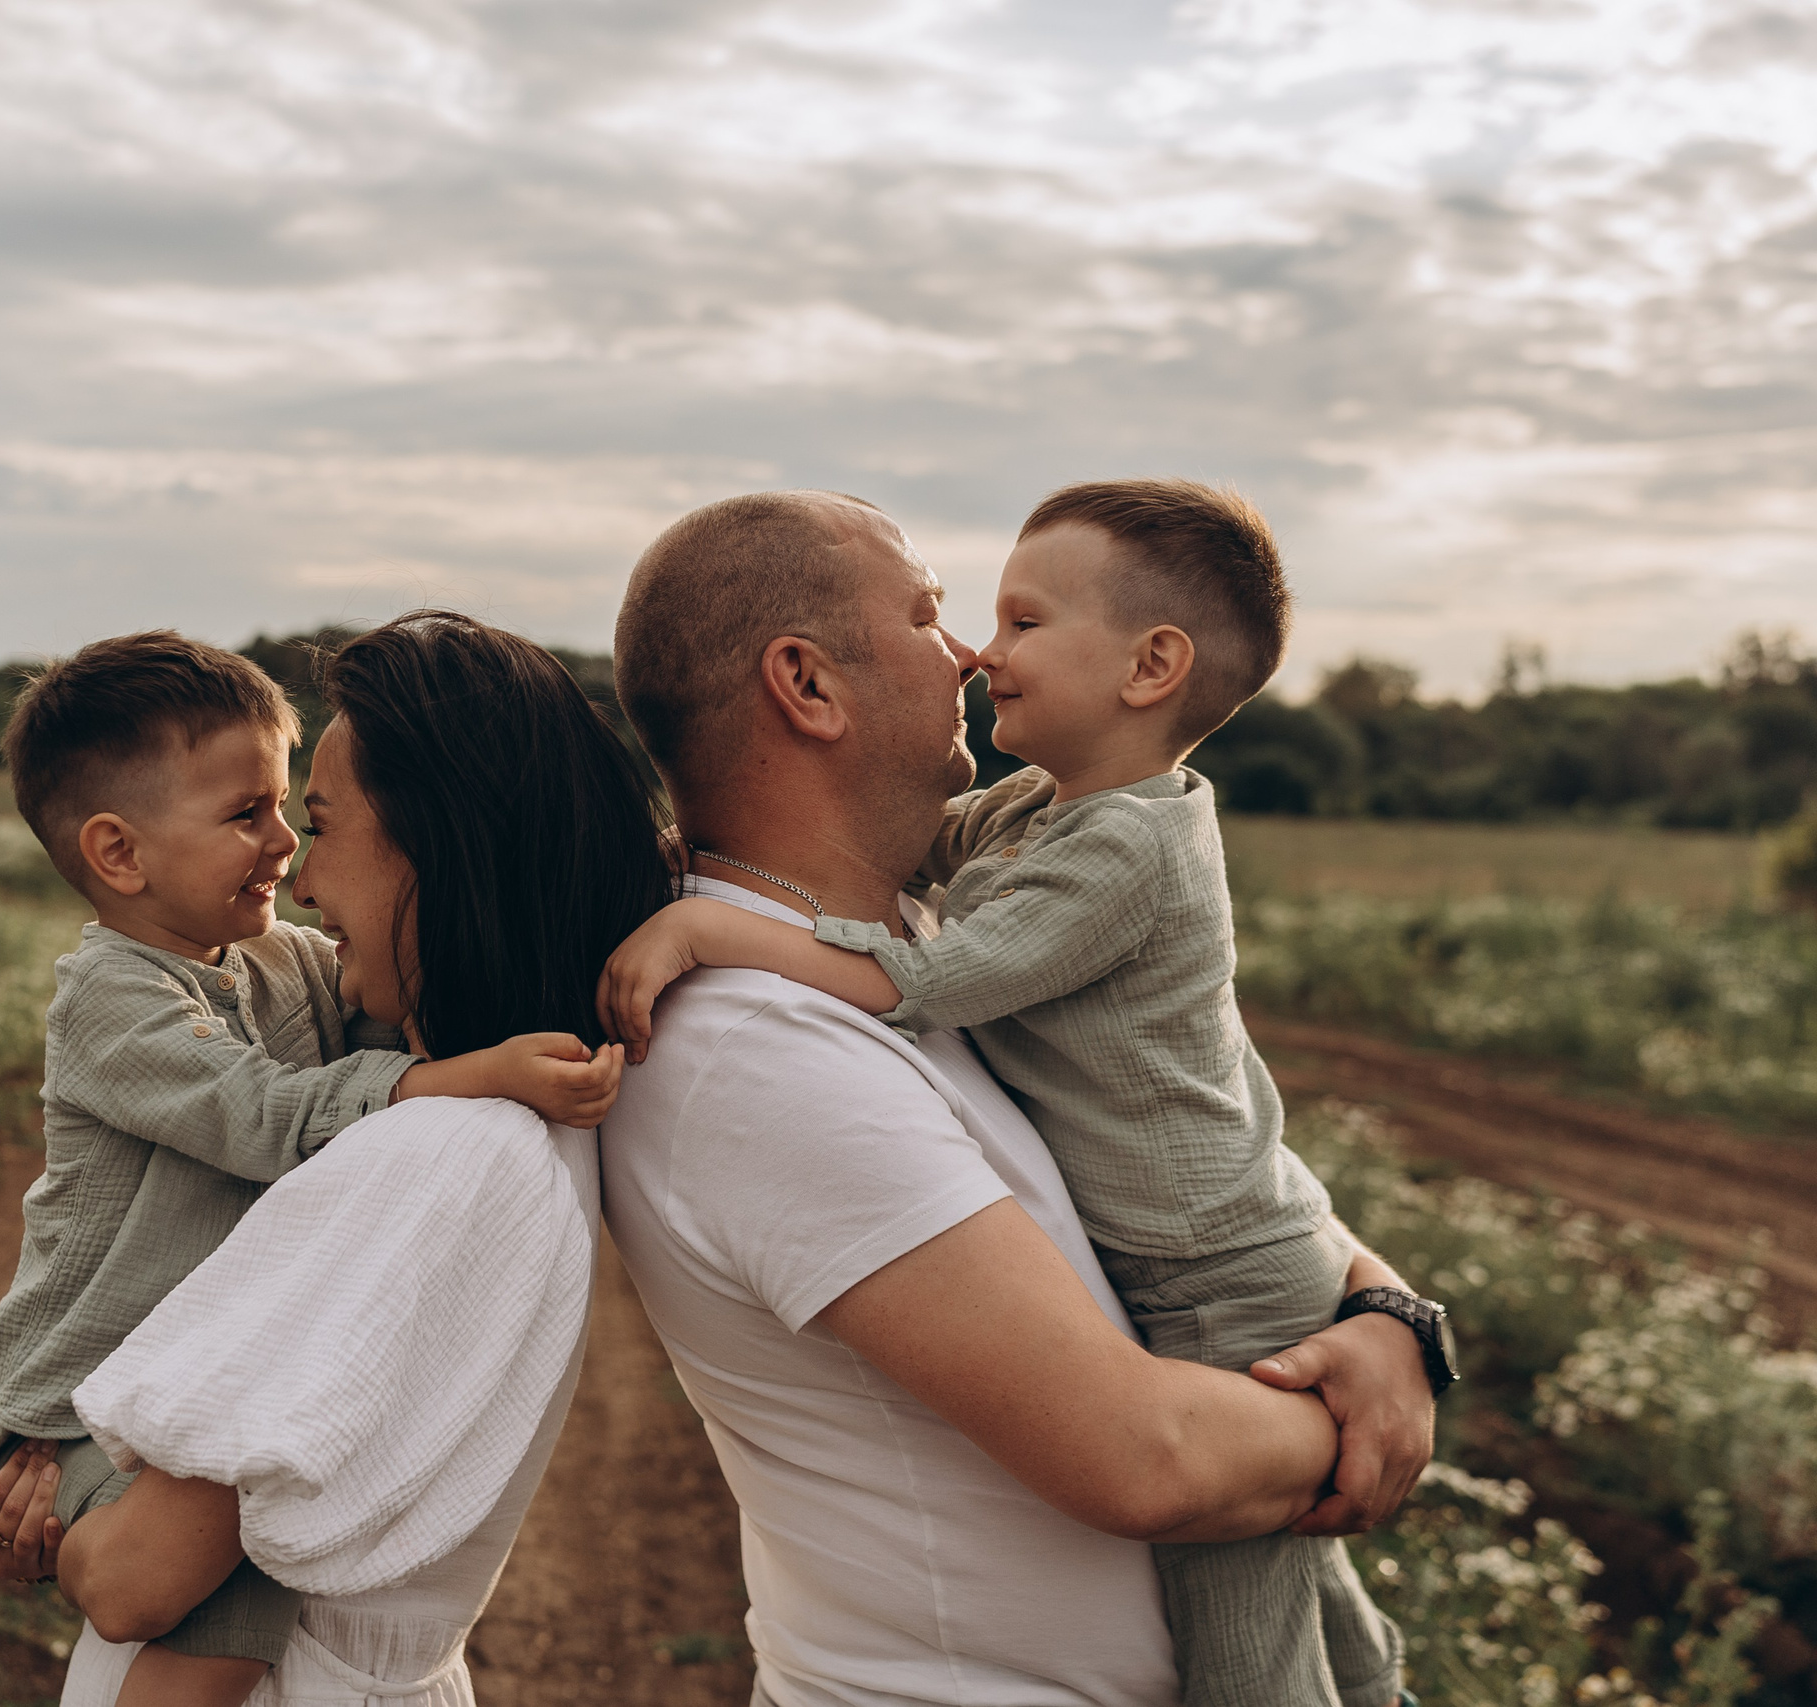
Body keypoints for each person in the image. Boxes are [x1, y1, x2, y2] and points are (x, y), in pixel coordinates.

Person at [597, 482, 1439, 1706]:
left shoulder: (946, 916)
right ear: (808, 686)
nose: (973, 654)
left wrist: (1384, 1314)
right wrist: (1387, 1395)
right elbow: (1148, 1463)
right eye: (933, 614)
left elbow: (1192, 1121)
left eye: (1005, 623)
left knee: (1339, 1653)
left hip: (1234, 1307)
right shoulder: (758, 1046)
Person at [0, 611, 671, 1706]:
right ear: (118, 852)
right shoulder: (111, 998)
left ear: (440, 847)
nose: (292, 865)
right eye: (251, 815)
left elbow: (135, 1583)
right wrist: (461, 1067)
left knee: (248, 1584)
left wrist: (63, 1546)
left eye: (307, 818)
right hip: (75, 1399)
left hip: (189, 1519)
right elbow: (262, 1108)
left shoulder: (431, 1144)